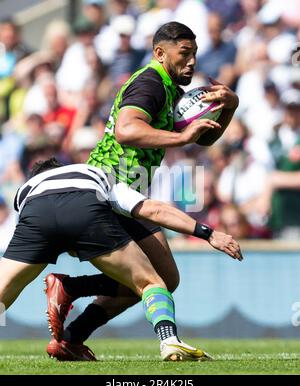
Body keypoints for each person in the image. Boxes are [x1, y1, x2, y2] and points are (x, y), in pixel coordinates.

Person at [60, 21, 238, 359]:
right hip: (112, 188)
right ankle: (74, 297)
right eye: (184, 54)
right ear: (160, 52)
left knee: (165, 278)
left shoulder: (169, 89)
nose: (192, 62)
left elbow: (206, 138)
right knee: (157, 279)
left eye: (195, 54)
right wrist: (182, 138)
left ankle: (72, 324)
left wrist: (230, 105)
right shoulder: (150, 83)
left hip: (128, 189)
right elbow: (127, 130)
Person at [0, 158, 242, 362]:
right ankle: (169, 341)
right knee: (151, 282)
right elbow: (153, 210)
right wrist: (208, 233)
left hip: (35, 211)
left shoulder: (25, 189)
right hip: (85, 205)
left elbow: (46, 227)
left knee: (3, 292)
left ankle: (70, 300)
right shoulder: (91, 172)